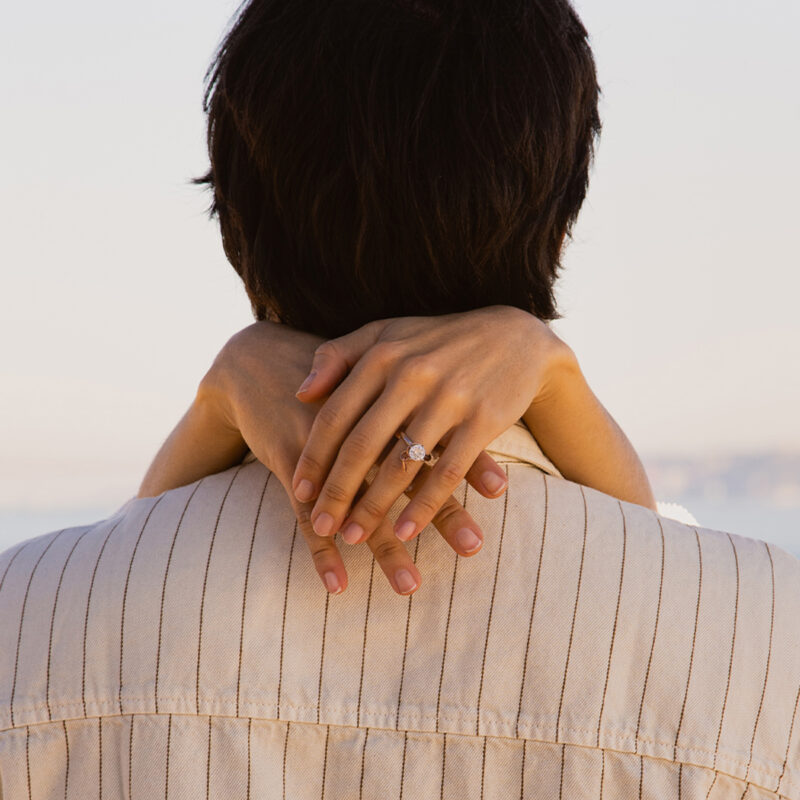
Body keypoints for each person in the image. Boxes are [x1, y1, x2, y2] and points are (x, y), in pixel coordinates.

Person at [0, 0, 798, 798]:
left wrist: (218, 399)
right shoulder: (766, 634)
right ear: (560, 221)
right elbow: (663, 578)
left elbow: (119, 581)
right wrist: (556, 377)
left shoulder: (25, 615)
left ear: (235, 226)